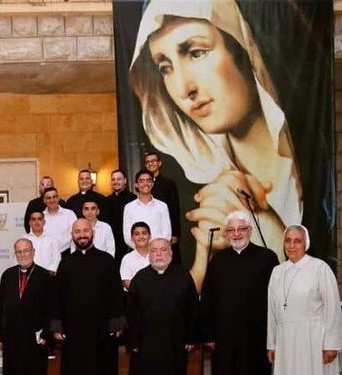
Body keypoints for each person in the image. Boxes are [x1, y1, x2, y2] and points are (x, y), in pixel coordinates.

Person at [130, 0, 306, 291]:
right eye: (165, 67)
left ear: (243, 48)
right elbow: (192, 299)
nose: (184, 88)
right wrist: (205, 252)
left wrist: (271, 232)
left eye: (196, 53)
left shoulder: (314, 167)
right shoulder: (198, 197)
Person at [201, 212, 279, 375]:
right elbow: (208, 298)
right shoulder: (218, 260)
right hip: (224, 335)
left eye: (241, 229)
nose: (236, 234)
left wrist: (273, 337)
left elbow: (275, 300)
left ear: (250, 231)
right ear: (226, 234)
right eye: (231, 230)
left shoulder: (267, 258)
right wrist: (208, 332)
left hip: (256, 335)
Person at [267, 225, 341, 375]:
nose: (291, 245)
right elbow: (272, 312)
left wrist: (330, 343)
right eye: (288, 240)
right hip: (287, 339)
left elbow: (332, 309)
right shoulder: (278, 272)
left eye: (297, 241)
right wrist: (272, 343)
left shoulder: (320, 268)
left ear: (305, 243)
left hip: (313, 337)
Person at [50, 219, 125, 375]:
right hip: (73, 331)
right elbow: (57, 298)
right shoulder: (65, 264)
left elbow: (116, 295)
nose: (82, 235)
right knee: (74, 374)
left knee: (103, 373)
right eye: (77, 232)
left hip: (101, 331)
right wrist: (57, 325)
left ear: (92, 233)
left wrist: (117, 323)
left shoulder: (107, 260)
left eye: (85, 231)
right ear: (72, 235)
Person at [124, 239, 199, 375]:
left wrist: (191, 337)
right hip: (146, 343)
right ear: (149, 254)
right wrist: (134, 342)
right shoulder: (140, 278)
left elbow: (193, 309)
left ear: (171, 254)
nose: (159, 254)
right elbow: (131, 312)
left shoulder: (183, 277)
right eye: (154, 251)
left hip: (175, 342)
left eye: (163, 250)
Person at [0, 239, 54, 375]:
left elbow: (51, 308)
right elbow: (0, 306)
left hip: (35, 335)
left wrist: (46, 334)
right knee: (11, 373)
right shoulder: (8, 275)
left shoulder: (46, 276)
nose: (22, 255)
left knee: (33, 374)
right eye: (18, 251)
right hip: (12, 334)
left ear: (33, 252)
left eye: (25, 251)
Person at [145, 151, 182, 264]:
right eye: (148, 162)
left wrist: (175, 233)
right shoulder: (144, 185)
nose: (151, 164)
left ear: (159, 163)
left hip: (167, 231)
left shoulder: (168, 184)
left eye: (153, 161)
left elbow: (175, 209)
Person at [122, 169, 171, 250]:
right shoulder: (129, 207)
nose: (145, 183)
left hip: (158, 253)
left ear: (152, 184)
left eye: (148, 180)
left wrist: (156, 250)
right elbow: (127, 235)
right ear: (136, 185)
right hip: (137, 253)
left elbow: (167, 234)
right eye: (141, 181)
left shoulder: (162, 206)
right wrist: (141, 249)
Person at [102, 169, 137, 261]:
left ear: (125, 181)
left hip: (128, 242)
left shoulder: (133, 199)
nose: (116, 182)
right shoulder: (106, 200)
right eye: (113, 180)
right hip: (112, 241)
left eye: (118, 179)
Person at [42, 187, 77, 254]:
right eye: (48, 198)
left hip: (66, 254)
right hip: (47, 254)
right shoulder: (40, 217)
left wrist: (73, 254)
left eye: (54, 197)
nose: (52, 200)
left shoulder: (69, 214)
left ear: (58, 198)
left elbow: (75, 234)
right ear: (44, 200)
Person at [119, 221, 151, 291]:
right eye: (137, 234)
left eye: (144, 233)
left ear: (150, 236)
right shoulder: (127, 259)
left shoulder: (157, 255)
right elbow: (126, 282)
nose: (141, 236)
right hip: (136, 298)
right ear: (132, 238)